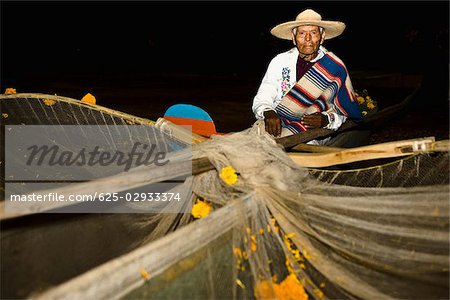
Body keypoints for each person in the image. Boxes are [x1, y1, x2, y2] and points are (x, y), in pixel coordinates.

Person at [252, 8, 367, 146]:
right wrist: (268, 112)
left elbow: (343, 112)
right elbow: (263, 97)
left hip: (313, 132)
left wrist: (326, 119)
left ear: (322, 37)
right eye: (301, 33)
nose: (308, 38)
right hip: (277, 124)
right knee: (256, 142)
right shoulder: (280, 61)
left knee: (302, 149)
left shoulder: (334, 67)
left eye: (313, 33)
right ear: (294, 38)